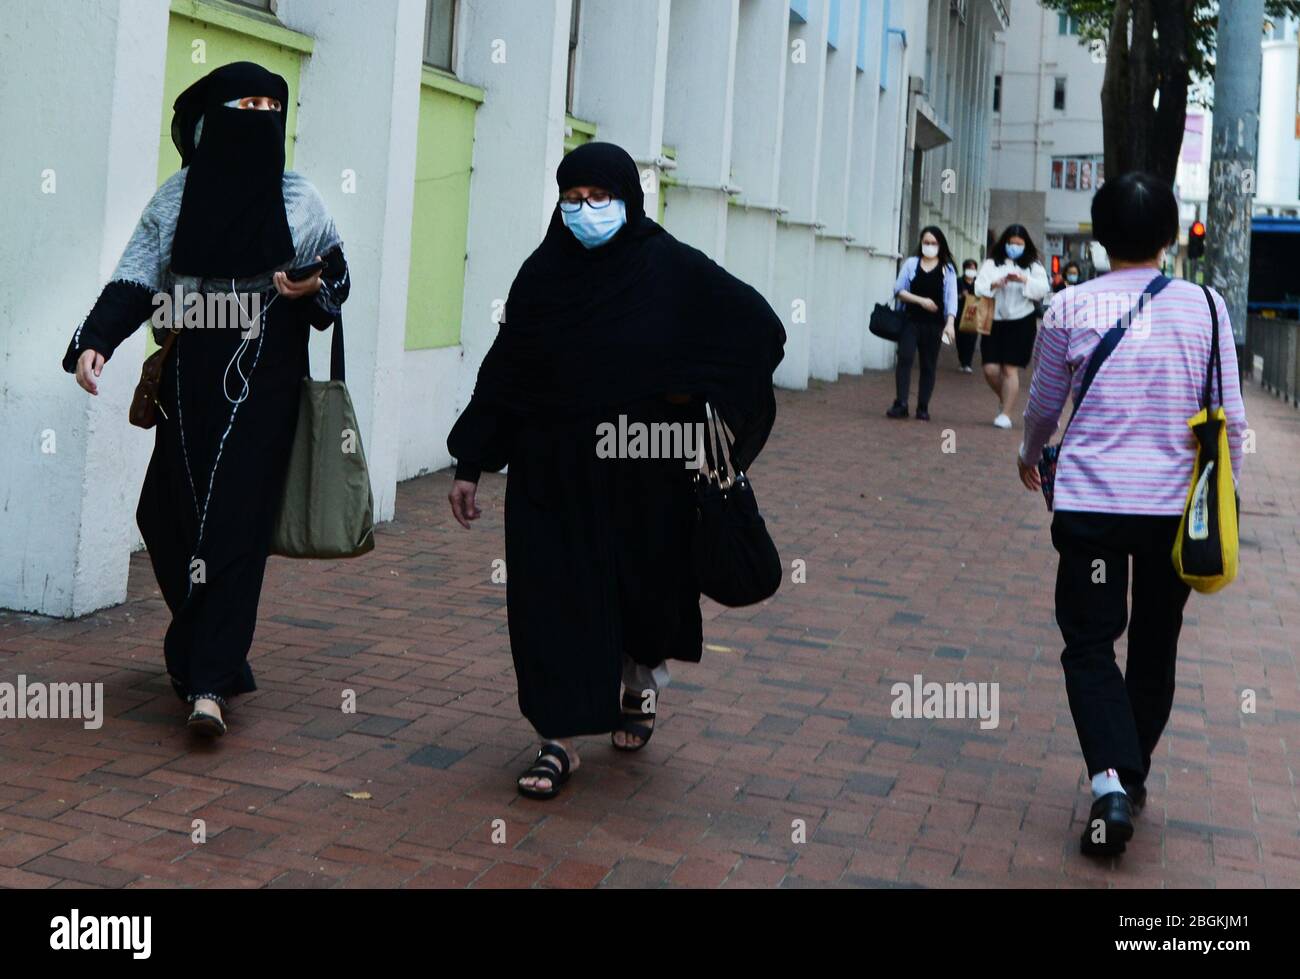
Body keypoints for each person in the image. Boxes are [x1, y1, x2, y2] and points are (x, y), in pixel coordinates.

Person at [446, 142, 785, 800]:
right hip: (550, 471)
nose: (584, 211)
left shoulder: (670, 269)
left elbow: (757, 331)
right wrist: (471, 462)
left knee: (641, 589)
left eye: (598, 198)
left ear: (628, 200)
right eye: (571, 199)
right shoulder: (541, 276)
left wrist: (696, 396)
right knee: (548, 595)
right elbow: (506, 370)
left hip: (643, 468)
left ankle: (637, 686)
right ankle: (557, 737)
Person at [62, 62, 350, 738]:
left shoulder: (298, 197)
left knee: (235, 520)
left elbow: (336, 273)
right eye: (242, 104)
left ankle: (209, 682)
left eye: (268, 106)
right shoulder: (176, 198)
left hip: (266, 373)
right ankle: (206, 648)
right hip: (191, 380)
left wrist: (314, 287)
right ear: (211, 119)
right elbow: (137, 278)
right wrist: (95, 340)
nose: (257, 116)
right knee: (166, 516)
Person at [1017, 171, 1247, 857]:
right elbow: (1230, 418)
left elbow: (1043, 404)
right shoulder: (1207, 307)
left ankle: (1111, 780)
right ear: (1172, 235)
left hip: (1092, 507)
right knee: (1154, 640)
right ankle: (1129, 770)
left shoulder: (1069, 306)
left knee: (1089, 641)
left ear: (1098, 232)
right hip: (1174, 511)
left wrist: (1030, 454)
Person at [974, 225, 1049, 429]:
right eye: (1011, 243)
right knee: (990, 369)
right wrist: (995, 284)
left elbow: (1042, 289)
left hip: (1022, 321)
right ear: (1004, 243)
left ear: (1026, 245)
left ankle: (1006, 413)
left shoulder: (1033, 265)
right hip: (994, 319)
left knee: (1009, 368)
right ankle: (1004, 398)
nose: (1014, 247)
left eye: (1019, 244)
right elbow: (979, 286)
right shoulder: (992, 263)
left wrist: (1024, 279)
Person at [886, 226, 957, 420]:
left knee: (928, 364)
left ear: (940, 245)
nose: (929, 246)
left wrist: (950, 323)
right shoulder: (911, 264)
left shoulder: (947, 269)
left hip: (934, 325)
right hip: (910, 320)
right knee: (905, 357)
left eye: (933, 243)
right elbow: (898, 290)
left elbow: (951, 299)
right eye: (926, 242)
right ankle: (901, 403)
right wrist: (921, 301)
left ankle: (922, 406)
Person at [954, 258, 980, 373]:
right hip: (959, 314)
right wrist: (961, 296)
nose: (971, 270)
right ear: (964, 269)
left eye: (973, 268)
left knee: (971, 338)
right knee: (960, 338)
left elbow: (983, 297)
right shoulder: (958, 281)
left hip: (974, 314)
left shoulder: (978, 283)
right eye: (969, 268)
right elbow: (953, 297)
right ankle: (962, 360)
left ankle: (967, 363)